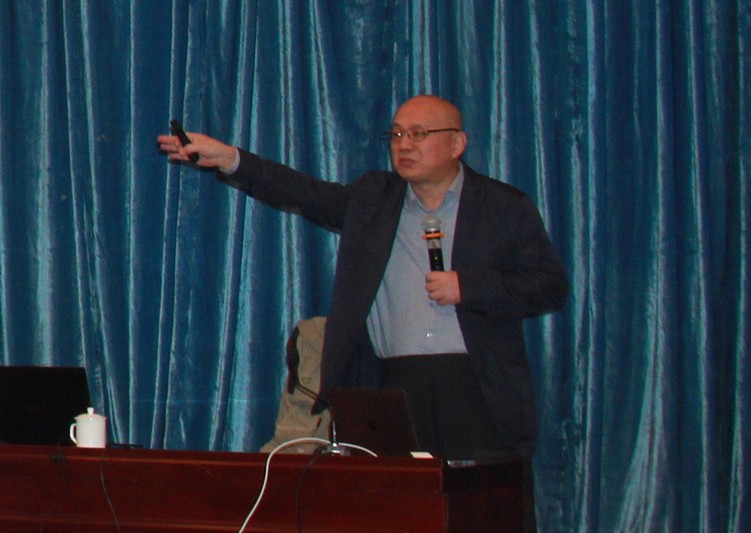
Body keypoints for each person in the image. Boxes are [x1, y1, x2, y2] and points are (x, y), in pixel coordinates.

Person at [158, 95, 568, 530]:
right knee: (397, 515)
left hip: (476, 388)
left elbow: (549, 286)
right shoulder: (375, 200)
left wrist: (472, 286)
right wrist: (230, 159)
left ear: (457, 144)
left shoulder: (503, 206)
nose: (403, 145)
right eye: (396, 134)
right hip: (395, 389)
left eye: (418, 134)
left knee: (484, 515)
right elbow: (302, 192)